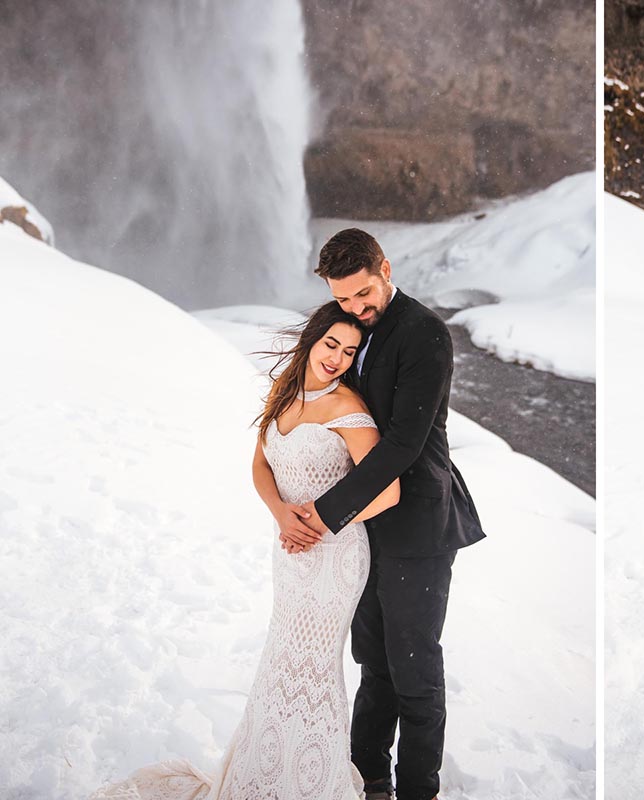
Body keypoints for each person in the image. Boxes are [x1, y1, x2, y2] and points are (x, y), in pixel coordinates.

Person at [92, 302, 400, 799]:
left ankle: (310, 783)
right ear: (311, 340)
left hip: (335, 558)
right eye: (330, 344)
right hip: (289, 551)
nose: (338, 358)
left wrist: (321, 523)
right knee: (280, 661)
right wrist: (281, 512)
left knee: (314, 668)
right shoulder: (285, 394)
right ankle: (265, 775)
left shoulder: (349, 409)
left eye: (349, 351)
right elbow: (261, 464)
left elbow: (387, 493)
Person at [284, 228, 486, 800]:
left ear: (386, 268)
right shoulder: (347, 328)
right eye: (343, 298)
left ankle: (418, 790)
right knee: (373, 660)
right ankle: (366, 776)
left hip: (418, 521)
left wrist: (321, 515)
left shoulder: (425, 334)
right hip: (363, 522)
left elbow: (401, 445)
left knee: (415, 669)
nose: (355, 308)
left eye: (364, 293)